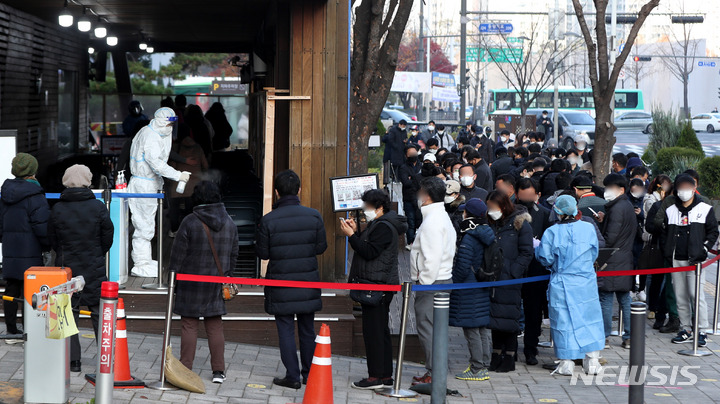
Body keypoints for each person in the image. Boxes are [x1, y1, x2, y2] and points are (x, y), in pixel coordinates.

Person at [256, 170, 327, 389]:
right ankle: (309, 373)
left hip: (281, 283)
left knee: (285, 330)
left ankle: (292, 376)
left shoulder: (268, 220)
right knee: (307, 330)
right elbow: (320, 247)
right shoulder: (314, 215)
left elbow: (263, 253)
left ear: (276, 192)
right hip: (307, 281)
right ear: (299, 189)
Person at [48, 164, 113, 372]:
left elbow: (52, 239)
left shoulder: (57, 208)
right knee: (97, 311)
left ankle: (73, 361)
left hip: (67, 267)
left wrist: (63, 254)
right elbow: (107, 236)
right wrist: (97, 253)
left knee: (68, 311)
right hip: (93, 265)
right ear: (88, 181)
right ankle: (106, 359)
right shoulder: (98, 207)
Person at [172, 181, 238, 384]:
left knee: (189, 325)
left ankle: (185, 368)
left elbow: (177, 256)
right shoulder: (229, 222)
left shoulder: (190, 221)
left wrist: (173, 278)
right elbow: (234, 253)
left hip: (191, 282)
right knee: (215, 326)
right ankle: (219, 371)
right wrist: (227, 275)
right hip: (217, 281)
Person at [341, 190, 407, 389]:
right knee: (380, 331)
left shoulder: (384, 227)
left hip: (377, 285)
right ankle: (384, 375)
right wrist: (358, 233)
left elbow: (369, 252)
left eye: (367, 207)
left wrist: (351, 236)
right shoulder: (380, 224)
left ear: (379, 208)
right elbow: (370, 246)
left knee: (374, 333)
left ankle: (376, 376)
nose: (365, 211)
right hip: (378, 284)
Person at [535, 195, 605, 375]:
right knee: (590, 319)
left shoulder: (551, 232)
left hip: (563, 281)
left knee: (563, 321)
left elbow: (545, 258)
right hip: (586, 281)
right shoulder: (588, 228)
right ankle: (593, 361)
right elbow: (595, 252)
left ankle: (566, 362)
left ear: (557, 211)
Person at [128, 108, 190, 277]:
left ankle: (145, 260)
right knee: (143, 226)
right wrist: (178, 175)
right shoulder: (151, 136)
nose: (171, 127)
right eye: (169, 123)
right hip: (144, 185)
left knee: (146, 224)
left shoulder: (151, 132)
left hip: (148, 184)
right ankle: (140, 263)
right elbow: (155, 162)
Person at [662, 174, 719, 346]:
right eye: (681, 188)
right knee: (680, 296)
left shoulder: (704, 209)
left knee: (696, 295)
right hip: (676, 259)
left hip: (696, 260)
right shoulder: (670, 210)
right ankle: (685, 328)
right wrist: (667, 250)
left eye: (688, 188)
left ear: (694, 189)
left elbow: (713, 231)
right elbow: (664, 233)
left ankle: (702, 330)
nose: (684, 192)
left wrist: (704, 249)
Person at [411, 177, 456, 384]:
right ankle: (434, 371)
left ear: (426, 196)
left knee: (427, 328)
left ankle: (434, 373)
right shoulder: (441, 216)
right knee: (434, 329)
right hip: (442, 280)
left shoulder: (432, 221)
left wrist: (424, 281)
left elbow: (432, 257)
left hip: (432, 282)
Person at [0, 153, 50, 343]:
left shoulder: (5, 194)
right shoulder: (36, 195)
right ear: (33, 171)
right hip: (31, 252)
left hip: (11, 252)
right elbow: (42, 228)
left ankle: (11, 332)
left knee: (11, 290)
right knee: (31, 291)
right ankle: (30, 331)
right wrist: (47, 247)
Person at [486, 191, 533, 372]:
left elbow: (527, 252)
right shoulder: (492, 223)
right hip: (493, 277)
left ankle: (510, 356)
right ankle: (496, 354)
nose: (491, 211)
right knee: (495, 317)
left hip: (510, 278)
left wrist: (515, 270)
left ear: (503, 205)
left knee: (509, 317)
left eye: (494, 207)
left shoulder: (520, 225)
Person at [450, 199, 494, 382]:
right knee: (482, 327)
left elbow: (462, 266)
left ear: (469, 214)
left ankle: (476, 368)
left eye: (464, 211)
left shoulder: (470, 236)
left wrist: (455, 282)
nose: (462, 214)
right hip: (482, 284)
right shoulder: (487, 232)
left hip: (469, 287)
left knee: (471, 329)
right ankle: (483, 364)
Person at [597, 173, 636, 349]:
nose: (606, 191)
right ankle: (629, 337)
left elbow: (610, 238)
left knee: (606, 298)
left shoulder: (617, 208)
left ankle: (604, 336)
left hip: (612, 260)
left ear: (620, 190)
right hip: (625, 258)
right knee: (624, 299)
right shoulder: (625, 205)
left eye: (609, 188)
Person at [515, 178, 552, 365]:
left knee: (533, 313)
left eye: (530, 195)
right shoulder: (511, 212)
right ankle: (510, 348)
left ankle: (531, 349)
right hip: (514, 272)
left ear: (537, 195)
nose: (526, 199)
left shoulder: (545, 214)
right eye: (523, 196)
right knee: (513, 310)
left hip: (536, 271)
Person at [167, 129, 209, 235]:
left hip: (178, 182)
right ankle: (192, 231)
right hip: (194, 184)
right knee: (191, 209)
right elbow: (205, 165)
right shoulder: (198, 147)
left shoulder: (175, 148)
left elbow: (172, 166)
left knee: (174, 209)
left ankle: (175, 230)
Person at [398, 145, 422, 248]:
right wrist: (417, 179)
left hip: (422, 196)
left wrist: (412, 178)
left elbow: (424, 180)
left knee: (421, 220)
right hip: (408, 197)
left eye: (414, 152)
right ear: (406, 155)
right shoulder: (403, 167)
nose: (413, 155)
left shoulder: (422, 165)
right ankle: (410, 242)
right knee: (410, 220)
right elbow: (406, 182)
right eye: (410, 153)